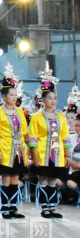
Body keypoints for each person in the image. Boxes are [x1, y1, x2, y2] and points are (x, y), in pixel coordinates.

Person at [29, 63, 72, 218]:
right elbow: (33, 138)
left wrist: (67, 154)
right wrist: (34, 156)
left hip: (57, 154)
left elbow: (65, 137)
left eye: (55, 98)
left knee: (53, 181)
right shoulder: (37, 117)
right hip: (42, 154)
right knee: (43, 180)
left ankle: (52, 207)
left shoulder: (61, 116)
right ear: (43, 99)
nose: (53, 101)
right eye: (49, 98)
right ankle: (44, 208)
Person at [0, 64, 28, 219]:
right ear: (4, 97)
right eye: (11, 95)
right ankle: (4, 208)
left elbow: (25, 133)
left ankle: (13, 207)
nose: (14, 97)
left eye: (15, 94)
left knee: (15, 179)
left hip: (19, 149)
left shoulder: (20, 112)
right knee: (6, 178)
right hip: (5, 149)